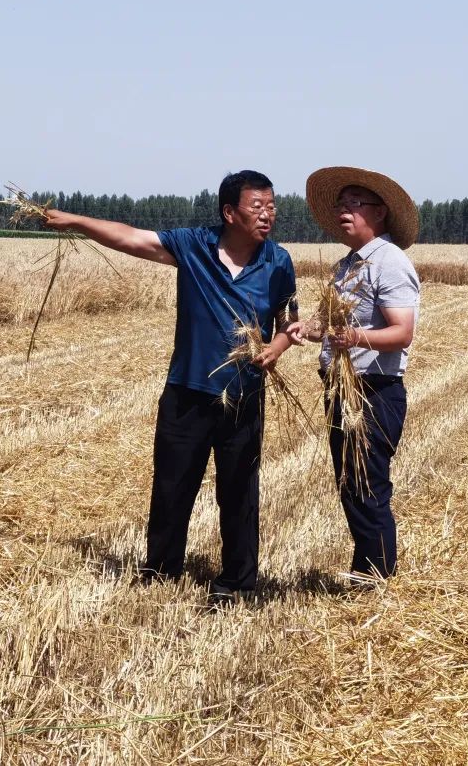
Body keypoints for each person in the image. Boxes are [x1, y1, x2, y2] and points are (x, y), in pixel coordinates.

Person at [43, 171, 298, 601]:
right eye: (257, 206)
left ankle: (236, 583)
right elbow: (131, 238)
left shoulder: (279, 262)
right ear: (229, 212)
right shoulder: (194, 245)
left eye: (271, 206)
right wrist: (77, 221)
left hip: (243, 397)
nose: (267, 214)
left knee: (239, 495)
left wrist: (277, 348)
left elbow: (289, 322)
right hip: (186, 391)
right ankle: (160, 571)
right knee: (172, 488)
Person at [289, 167, 420, 581]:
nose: (344, 211)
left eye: (354, 204)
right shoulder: (347, 265)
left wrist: (354, 338)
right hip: (341, 389)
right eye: (340, 205)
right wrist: (306, 330)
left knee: (367, 484)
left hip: (373, 392)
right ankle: (367, 568)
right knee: (351, 482)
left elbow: (402, 332)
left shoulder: (391, 263)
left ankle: (377, 575)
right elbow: (332, 325)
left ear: (379, 213)